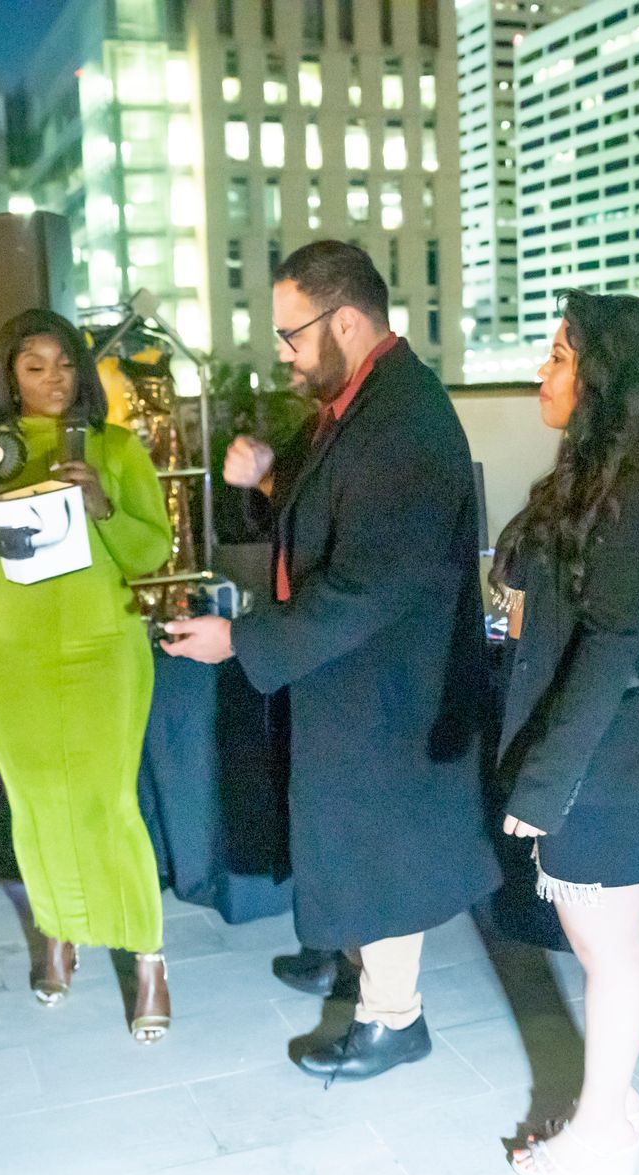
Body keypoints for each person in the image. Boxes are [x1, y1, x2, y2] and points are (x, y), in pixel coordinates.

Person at [163, 240, 500, 1081]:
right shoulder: (360, 398)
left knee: (376, 835)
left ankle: (395, 1017)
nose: (283, 353)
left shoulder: (406, 419)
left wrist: (241, 639)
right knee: (341, 824)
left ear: (344, 320)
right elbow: (338, 511)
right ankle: (351, 960)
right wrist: (274, 477)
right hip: (350, 666)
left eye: (291, 335)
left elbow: (370, 580)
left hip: (390, 678)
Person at [492, 292, 639, 1175]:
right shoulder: (596, 477)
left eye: (558, 356)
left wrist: (544, 786)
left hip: (618, 759)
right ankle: (614, 1103)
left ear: (605, 377)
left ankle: (601, 1134)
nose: (543, 371)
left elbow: (613, 648)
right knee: (610, 946)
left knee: (609, 954)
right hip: (607, 750)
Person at [0, 309, 175, 1042]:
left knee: (109, 802)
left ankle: (147, 954)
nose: (53, 379)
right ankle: (59, 931)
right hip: (7, 655)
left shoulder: (118, 448)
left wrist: (101, 504)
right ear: (9, 377)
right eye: (34, 366)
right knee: (33, 805)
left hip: (103, 648)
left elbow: (149, 551)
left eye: (64, 363)